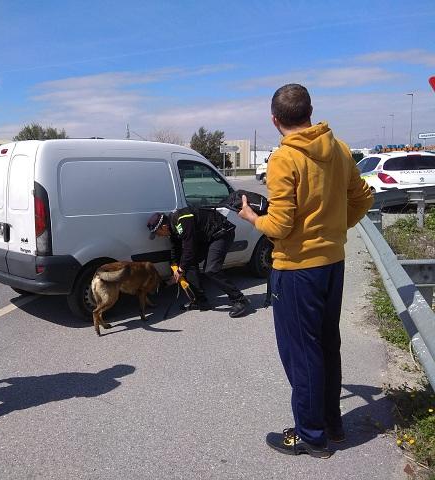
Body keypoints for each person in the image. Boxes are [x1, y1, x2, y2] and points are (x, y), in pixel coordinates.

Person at [238, 84, 374, 458]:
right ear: (310, 112)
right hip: (332, 264)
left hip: (297, 270)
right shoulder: (340, 148)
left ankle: (311, 436)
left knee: (303, 353)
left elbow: (279, 226)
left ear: (275, 120)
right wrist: (333, 229)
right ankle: (332, 424)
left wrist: (252, 217)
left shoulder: (285, 158)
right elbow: (364, 197)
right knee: (327, 345)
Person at [147, 207, 250, 317]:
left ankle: (240, 299)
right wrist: (175, 266)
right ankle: (201, 302)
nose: (158, 236)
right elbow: (175, 248)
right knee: (188, 264)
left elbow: (189, 248)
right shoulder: (172, 227)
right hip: (207, 237)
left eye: (157, 233)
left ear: (164, 227)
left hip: (221, 233)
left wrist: (181, 269)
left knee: (211, 270)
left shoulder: (183, 220)